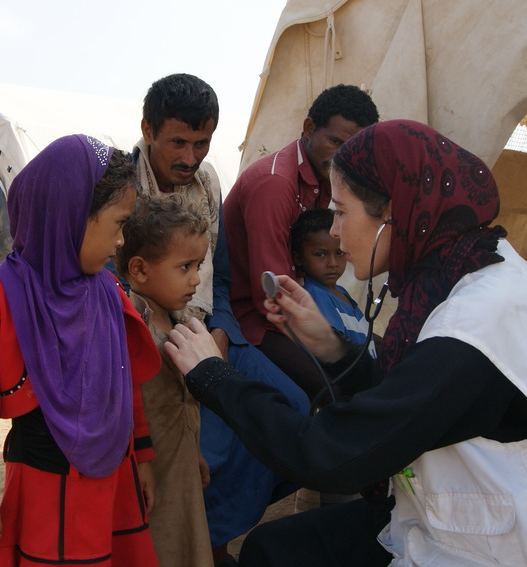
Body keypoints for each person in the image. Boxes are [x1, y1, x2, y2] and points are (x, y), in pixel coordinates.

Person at [164, 120, 527, 566]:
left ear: (394, 214)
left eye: (341, 211)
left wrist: (215, 377)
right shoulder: (480, 266)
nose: (334, 231)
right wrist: (328, 344)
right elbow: (411, 394)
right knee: (275, 549)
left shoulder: (474, 328)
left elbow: (329, 453)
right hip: (460, 514)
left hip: (500, 549)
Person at [0, 135, 163, 567]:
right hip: (43, 479)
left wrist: (141, 457)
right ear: (71, 216)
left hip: (113, 476)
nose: (121, 241)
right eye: (118, 224)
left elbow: (124, 385)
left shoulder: (108, 292)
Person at [132, 73, 309, 566]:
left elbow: (223, 276)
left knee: (290, 406)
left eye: (202, 143)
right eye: (178, 143)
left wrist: (222, 332)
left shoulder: (209, 183)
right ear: (148, 130)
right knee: (202, 451)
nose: (191, 158)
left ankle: (218, 529)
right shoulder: (121, 190)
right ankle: (204, 544)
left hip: (212, 332)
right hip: (154, 343)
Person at [223, 85, 378, 398]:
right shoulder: (275, 184)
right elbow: (271, 293)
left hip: (296, 306)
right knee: (336, 388)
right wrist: (325, 343)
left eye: (353, 147)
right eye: (335, 141)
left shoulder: (327, 180)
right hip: (253, 316)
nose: (343, 156)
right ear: (309, 129)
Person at [115, 194, 215, 567]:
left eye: (199, 264)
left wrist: (196, 453)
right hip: (147, 474)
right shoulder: (129, 327)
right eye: (185, 266)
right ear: (139, 270)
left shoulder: (182, 320)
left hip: (181, 466)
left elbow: (184, 405)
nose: (196, 278)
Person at [290, 207, 372, 399]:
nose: (332, 263)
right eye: (320, 254)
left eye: (339, 253)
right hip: (353, 388)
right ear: (298, 258)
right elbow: (334, 347)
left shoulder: (341, 292)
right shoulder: (316, 295)